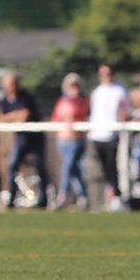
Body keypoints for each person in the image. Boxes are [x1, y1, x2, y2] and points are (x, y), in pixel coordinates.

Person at [0, 72, 50, 208]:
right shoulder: (5, 100)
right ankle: (12, 199)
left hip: (35, 139)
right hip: (21, 140)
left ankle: (44, 199)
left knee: (40, 167)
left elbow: (24, 116)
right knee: (12, 167)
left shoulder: (26, 97)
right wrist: (15, 116)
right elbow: (2, 119)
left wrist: (12, 117)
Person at [88, 63, 129, 211]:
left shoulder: (120, 90)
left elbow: (125, 110)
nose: (106, 76)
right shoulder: (96, 92)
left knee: (112, 166)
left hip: (112, 133)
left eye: (108, 73)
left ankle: (116, 197)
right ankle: (101, 199)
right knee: (99, 169)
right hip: (96, 134)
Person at [49, 73, 90, 209]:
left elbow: (81, 115)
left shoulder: (82, 100)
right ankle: (83, 196)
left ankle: (63, 195)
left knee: (67, 167)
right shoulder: (62, 101)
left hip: (76, 139)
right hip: (63, 139)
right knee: (74, 169)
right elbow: (55, 118)